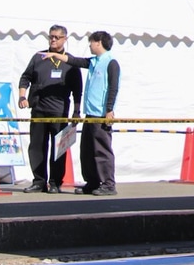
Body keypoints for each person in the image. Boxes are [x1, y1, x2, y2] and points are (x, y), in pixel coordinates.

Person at [18, 25, 83, 193]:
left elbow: (77, 90)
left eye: (57, 37)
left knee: (59, 148)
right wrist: (22, 97)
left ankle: (55, 182)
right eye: (51, 36)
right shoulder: (39, 57)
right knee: (37, 147)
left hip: (59, 111)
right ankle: (39, 181)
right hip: (39, 109)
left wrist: (76, 111)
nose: (53, 40)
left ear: (65, 39)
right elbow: (25, 78)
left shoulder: (70, 62)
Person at [60, 30, 120, 196]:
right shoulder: (94, 62)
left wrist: (109, 109)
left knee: (102, 149)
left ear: (99, 42)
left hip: (101, 114)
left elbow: (113, 87)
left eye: (91, 42)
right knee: (87, 149)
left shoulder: (111, 62)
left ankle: (108, 183)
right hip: (90, 113)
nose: (90, 45)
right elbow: (76, 61)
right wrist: (57, 56)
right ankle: (92, 181)